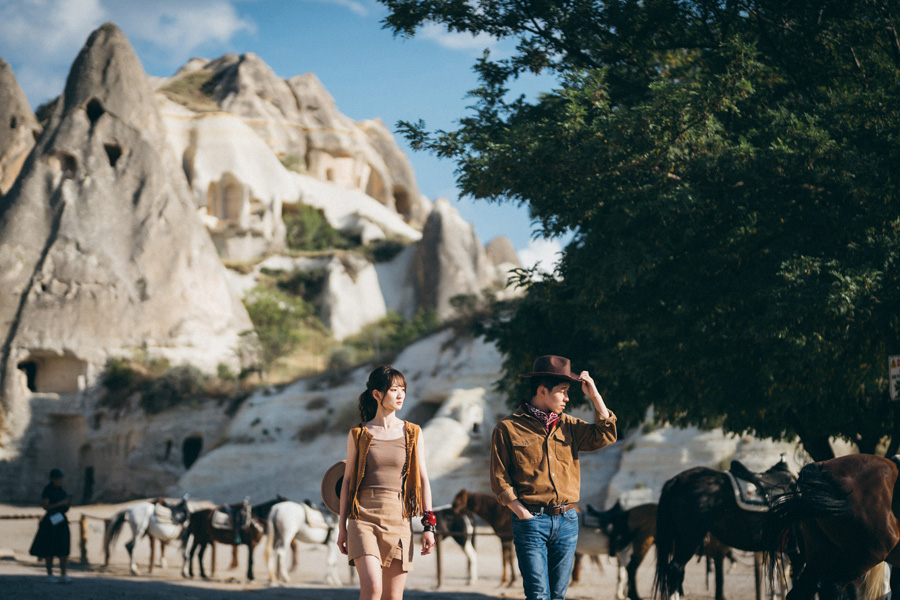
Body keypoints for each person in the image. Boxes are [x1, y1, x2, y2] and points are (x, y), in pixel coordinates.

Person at [490, 355, 617, 600]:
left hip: (568, 521)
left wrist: (596, 397)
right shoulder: (507, 428)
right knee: (538, 595)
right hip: (531, 522)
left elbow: (605, 435)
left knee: (557, 595)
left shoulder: (570, 425)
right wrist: (523, 514)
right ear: (542, 390)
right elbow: (500, 479)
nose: (567, 399)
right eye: (563, 392)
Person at [336, 365, 436, 600]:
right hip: (362, 518)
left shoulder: (413, 432)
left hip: (399, 518)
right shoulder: (358, 434)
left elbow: (422, 479)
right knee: (372, 590)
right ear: (377, 394)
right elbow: (348, 482)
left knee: (392, 596)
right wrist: (342, 527)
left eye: (403, 389)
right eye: (394, 389)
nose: (400, 395)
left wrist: (429, 525)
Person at [29, 468, 73, 583]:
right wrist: (60, 503)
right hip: (50, 521)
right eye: (57, 479)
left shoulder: (62, 491)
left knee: (63, 548)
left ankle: (63, 574)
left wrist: (67, 503)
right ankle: (50, 574)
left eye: (60, 479)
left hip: (61, 520)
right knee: (49, 549)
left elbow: (65, 508)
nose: (59, 481)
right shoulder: (47, 491)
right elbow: (45, 506)